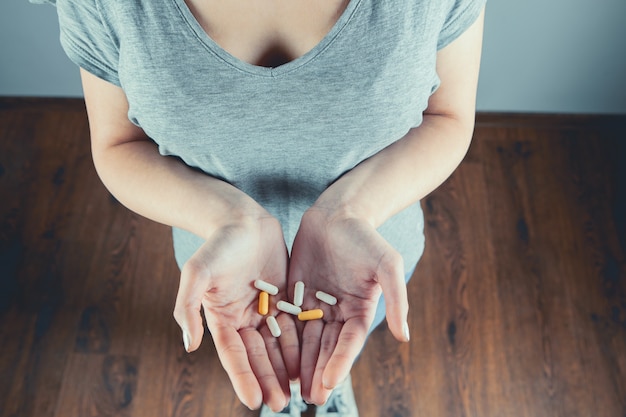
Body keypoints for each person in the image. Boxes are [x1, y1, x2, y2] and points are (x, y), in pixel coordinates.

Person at [31, 0, 486, 415]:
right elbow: (117, 144)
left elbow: (448, 117)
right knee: (268, 353)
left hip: (367, 252)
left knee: (343, 335)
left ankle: (329, 382)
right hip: (224, 261)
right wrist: (229, 218)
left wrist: (351, 211)